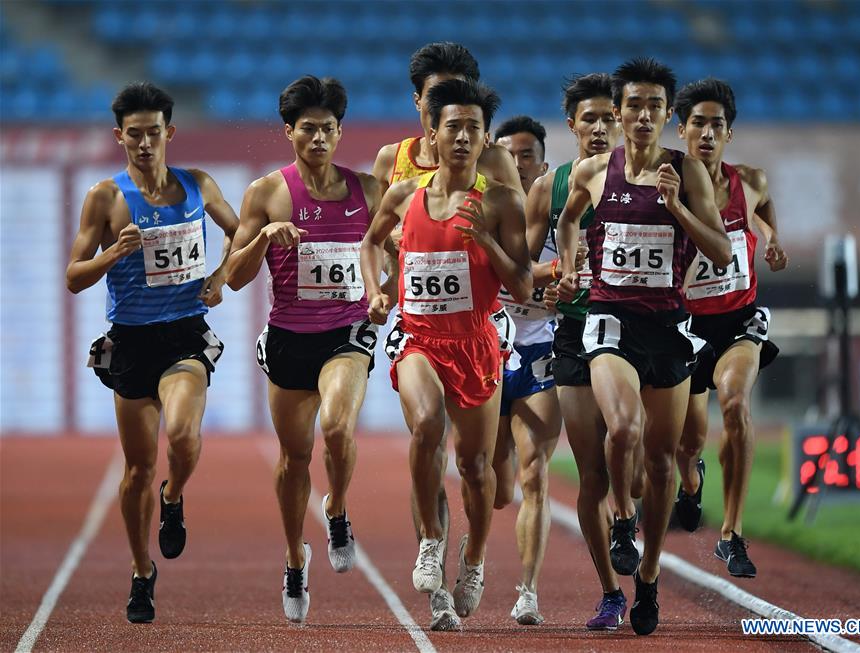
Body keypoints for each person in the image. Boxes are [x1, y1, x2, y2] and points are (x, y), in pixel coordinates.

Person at [556, 57, 731, 635]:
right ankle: (622, 523)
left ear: (666, 115)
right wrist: (568, 257)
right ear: (620, 111)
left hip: (668, 330)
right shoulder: (593, 171)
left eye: (656, 106)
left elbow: (723, 252)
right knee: (624, 429)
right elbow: (568, 220)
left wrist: (678, 205)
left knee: (660, 463)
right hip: (610, 319)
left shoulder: (689, 172)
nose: (643, 115)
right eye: (634, 105)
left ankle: (649, 576)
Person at [361, 78, 532, 629]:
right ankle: (432, 540)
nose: (462, 137)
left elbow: (525, 286)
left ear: (485, 139)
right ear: (431, 134)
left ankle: (475, 559)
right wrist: (377, 289)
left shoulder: (503, 201)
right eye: (452, 126)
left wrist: (485, 241)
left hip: (477, 343)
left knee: (476, 469)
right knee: (427, 422)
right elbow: (370, 242)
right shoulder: (404, 195)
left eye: (473, 128)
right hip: (419, 338)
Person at [66, 82, 238, 623]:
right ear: (119, 136)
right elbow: (73, 276)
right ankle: (142, 571)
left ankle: (175, 494)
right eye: (133, 135)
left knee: (184, 436)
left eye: (153, 133)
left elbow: (243, 232)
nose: (144, 143)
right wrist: (112, 253)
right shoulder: (105, 197)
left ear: (170, 132)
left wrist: (220, 275)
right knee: (137, 468)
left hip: (185, 333)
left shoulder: (198, 184)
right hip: (133, 341)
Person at [225, 76, 382, 624]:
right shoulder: (267, 192)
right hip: (290, 337)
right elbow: (233, 278)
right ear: (289, 131)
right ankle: (295, 557)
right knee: (295, 458)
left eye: (328, 128)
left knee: (337, 428)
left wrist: (385, 290)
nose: (319, 137)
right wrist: (265, 238)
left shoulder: (369, 190)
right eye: (308, 128)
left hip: (347, 330)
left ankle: (336, 507)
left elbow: (401, 250)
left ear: (341, 132)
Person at [671, 78, 787, 578]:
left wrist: (771, 236)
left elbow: (761, 208)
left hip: (739, 320)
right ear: (681, 130)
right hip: (686, 325)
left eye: (717, 124)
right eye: (697, 122)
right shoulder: (667, 186)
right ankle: (691, 482)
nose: (707, 132)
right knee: (688, 440)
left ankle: (732, 534)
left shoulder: (752, 180)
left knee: (736, 403)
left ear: (729, 134)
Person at [535, 73, 638, 630]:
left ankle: (648, 500)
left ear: (622, 122)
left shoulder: (648, 181)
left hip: (638, 328)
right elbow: (523, 268)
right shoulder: (549, 188)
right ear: (571, 123)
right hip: (575, 333)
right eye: (589, 119)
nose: (600, 129)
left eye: (609, 119)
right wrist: (555, 276)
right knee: (592, 472)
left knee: (642, 462)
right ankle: (610, 591)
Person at [491, 115, 559, 625]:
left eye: (527, 157)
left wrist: (568, 287)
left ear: (544, 165)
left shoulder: (567, 218)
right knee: (495, 486)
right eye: (508, 156)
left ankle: (528, 589)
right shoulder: (479, 212)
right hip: (487, 353)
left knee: (535, 474)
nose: (517, 165)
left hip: (542, 353)